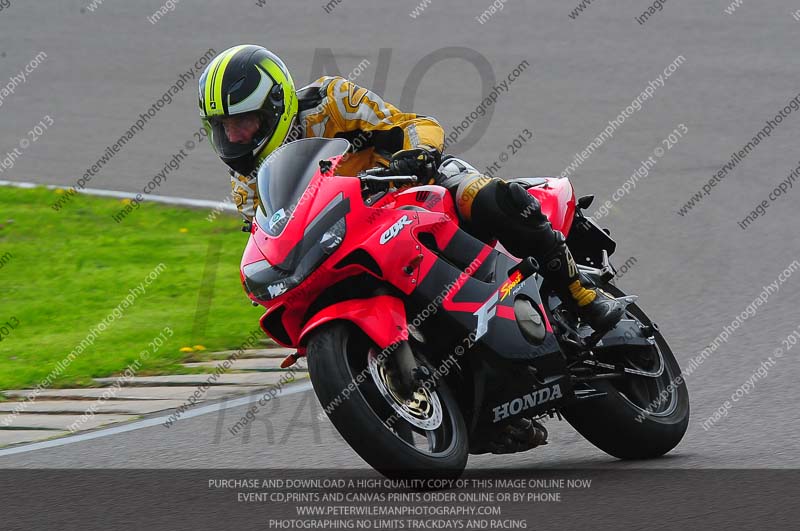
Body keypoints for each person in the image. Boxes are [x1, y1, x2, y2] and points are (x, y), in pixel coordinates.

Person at [199, 45, 625, 333]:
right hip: (351, 232)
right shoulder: (245, 180)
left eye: (243, 122)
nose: (234, 137)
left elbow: (412, 124)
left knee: (488, 197)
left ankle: (581, 295)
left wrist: (418, 155)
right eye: (224, 128)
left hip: (412, 187)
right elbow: (267, 231)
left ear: (275, 103)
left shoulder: (332, 100)